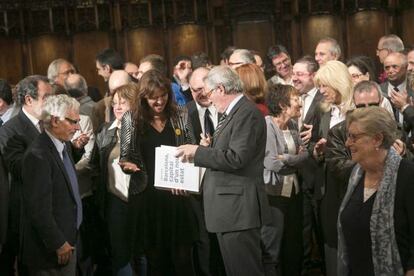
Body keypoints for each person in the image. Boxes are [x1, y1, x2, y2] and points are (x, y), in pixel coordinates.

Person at [176, 65, 270, 276]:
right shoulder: (233, 113)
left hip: (238, 210)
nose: (208, 99)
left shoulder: (246, 113)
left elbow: (237, 158)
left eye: (209, 94)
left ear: (220, 89)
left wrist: (198, 152)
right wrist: (210, 148)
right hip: (229, 211)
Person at [119, 70, 198, 275]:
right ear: (143, 96)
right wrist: (127, 166)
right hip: (148, 198)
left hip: (177, 196)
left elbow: (191, 149)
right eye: (154, 97)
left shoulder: (180, 114)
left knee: (183, 260)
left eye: (163, 95)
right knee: (156, 262)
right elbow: (125, 155)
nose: (159, 101)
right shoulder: (132, 118)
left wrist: (187, 181)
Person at [337, 106, 414, 275]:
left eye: (353, 137)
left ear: (377, 139)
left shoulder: (408, 176)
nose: (347, 143)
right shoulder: (353, 176)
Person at [20, 94, 85, 275]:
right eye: (73, 122)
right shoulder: (37, 156)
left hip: (68, 240)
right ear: (55, 121)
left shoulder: (62, 146)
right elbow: (38, 209)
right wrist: (57, 243)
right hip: (51, 253)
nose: (77, 127)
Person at [0, 75, 53, 276]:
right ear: (29, 100)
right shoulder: (10, 130)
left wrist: (74, 148)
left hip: (51, 209)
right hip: (25, 213)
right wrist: (47, 143)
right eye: (46, 96)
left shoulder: (50, 123)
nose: (52, 102)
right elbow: (18, 168)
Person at [312, 60, 354, 276]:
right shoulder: (324, 112)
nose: (321, 91)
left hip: (354, 182)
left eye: (324, 86)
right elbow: (313, 144)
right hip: (328, 185)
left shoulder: (359, 107)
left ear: (338, 83)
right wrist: (318, 151)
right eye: (319, 86)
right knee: (331, 241)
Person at [90, 84, 137, 276]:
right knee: (120, 256)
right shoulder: (104, 131)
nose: (117, 107)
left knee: (142, 253)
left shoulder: (145, 130)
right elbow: (94, 164)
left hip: (140, 201)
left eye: (123, 103)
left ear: (135, 105)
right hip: (115, 203)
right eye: (115, 103)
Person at [263, 83, 308, 276]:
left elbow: (305, 156)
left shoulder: (291, 125)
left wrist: (288, 159)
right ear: (283, 105)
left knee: (293, 245)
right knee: (272, 249)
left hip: (293, 193)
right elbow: (272, 163)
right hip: (273, 196)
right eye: (296, 98)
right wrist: (295, 160)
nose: (300, 102)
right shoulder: (267, 125)